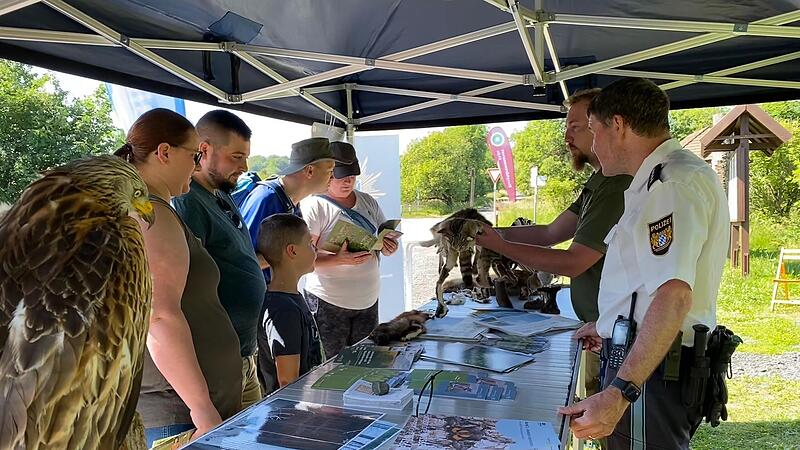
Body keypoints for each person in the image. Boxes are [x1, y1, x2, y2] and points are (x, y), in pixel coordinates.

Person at [557, 78, 729, 449]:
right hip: (645, 362)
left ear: (617, 125)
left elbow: (674, 297)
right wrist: (607, 329)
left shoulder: (671, 184)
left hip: (651, 375)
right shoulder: (658, 179)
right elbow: (645, 286)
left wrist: (620, 392)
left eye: (593, 129)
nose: (593, 143)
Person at [476, 88, 631, 401]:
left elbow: (574, 261)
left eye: (575, 128)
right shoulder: (600, 181)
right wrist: (487, 233)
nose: (567, 136)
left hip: (620, 340)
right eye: (567, 128)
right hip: (600, 332)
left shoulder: (616, 187)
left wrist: (500, 245)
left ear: (602, 127)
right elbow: (550, 232)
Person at [115, 108, 242, 447]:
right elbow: (159, 316)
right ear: (164, 152)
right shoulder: (150, 214)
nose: (199, 165)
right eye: (194, 154)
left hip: (186, 410)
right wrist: (202, 410)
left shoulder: (150, 210)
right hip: (181, 416)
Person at [173, 110, 266, 408]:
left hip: (244, 352)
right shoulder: (188, 203)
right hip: (218, 362)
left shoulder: (221, 193)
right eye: (236, 156)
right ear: (204, 149)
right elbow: (185, 287)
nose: (245, 167)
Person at [300, 142, 399, 358]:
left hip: (368, 301)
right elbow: (303, 260)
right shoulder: (314, 205)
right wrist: (339, 260)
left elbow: (384, 239)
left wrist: (389, 246)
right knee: (332, 367)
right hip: (328, 303)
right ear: (328, 174)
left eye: (352, 176)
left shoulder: (367, 201)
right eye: (341, 176)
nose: (348, 181)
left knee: (366, 362)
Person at [238, 137, 341, 284]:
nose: (333, 177)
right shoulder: (266, 198)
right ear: (310, 171)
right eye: (330, 170)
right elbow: (242, 260)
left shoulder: (292, 203)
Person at [256, 214, 324, 393]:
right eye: (310, 243)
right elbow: (287, 380)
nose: (315, 248)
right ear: (292, 251)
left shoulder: (291, 299)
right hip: (294, 413)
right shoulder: (283, 310)